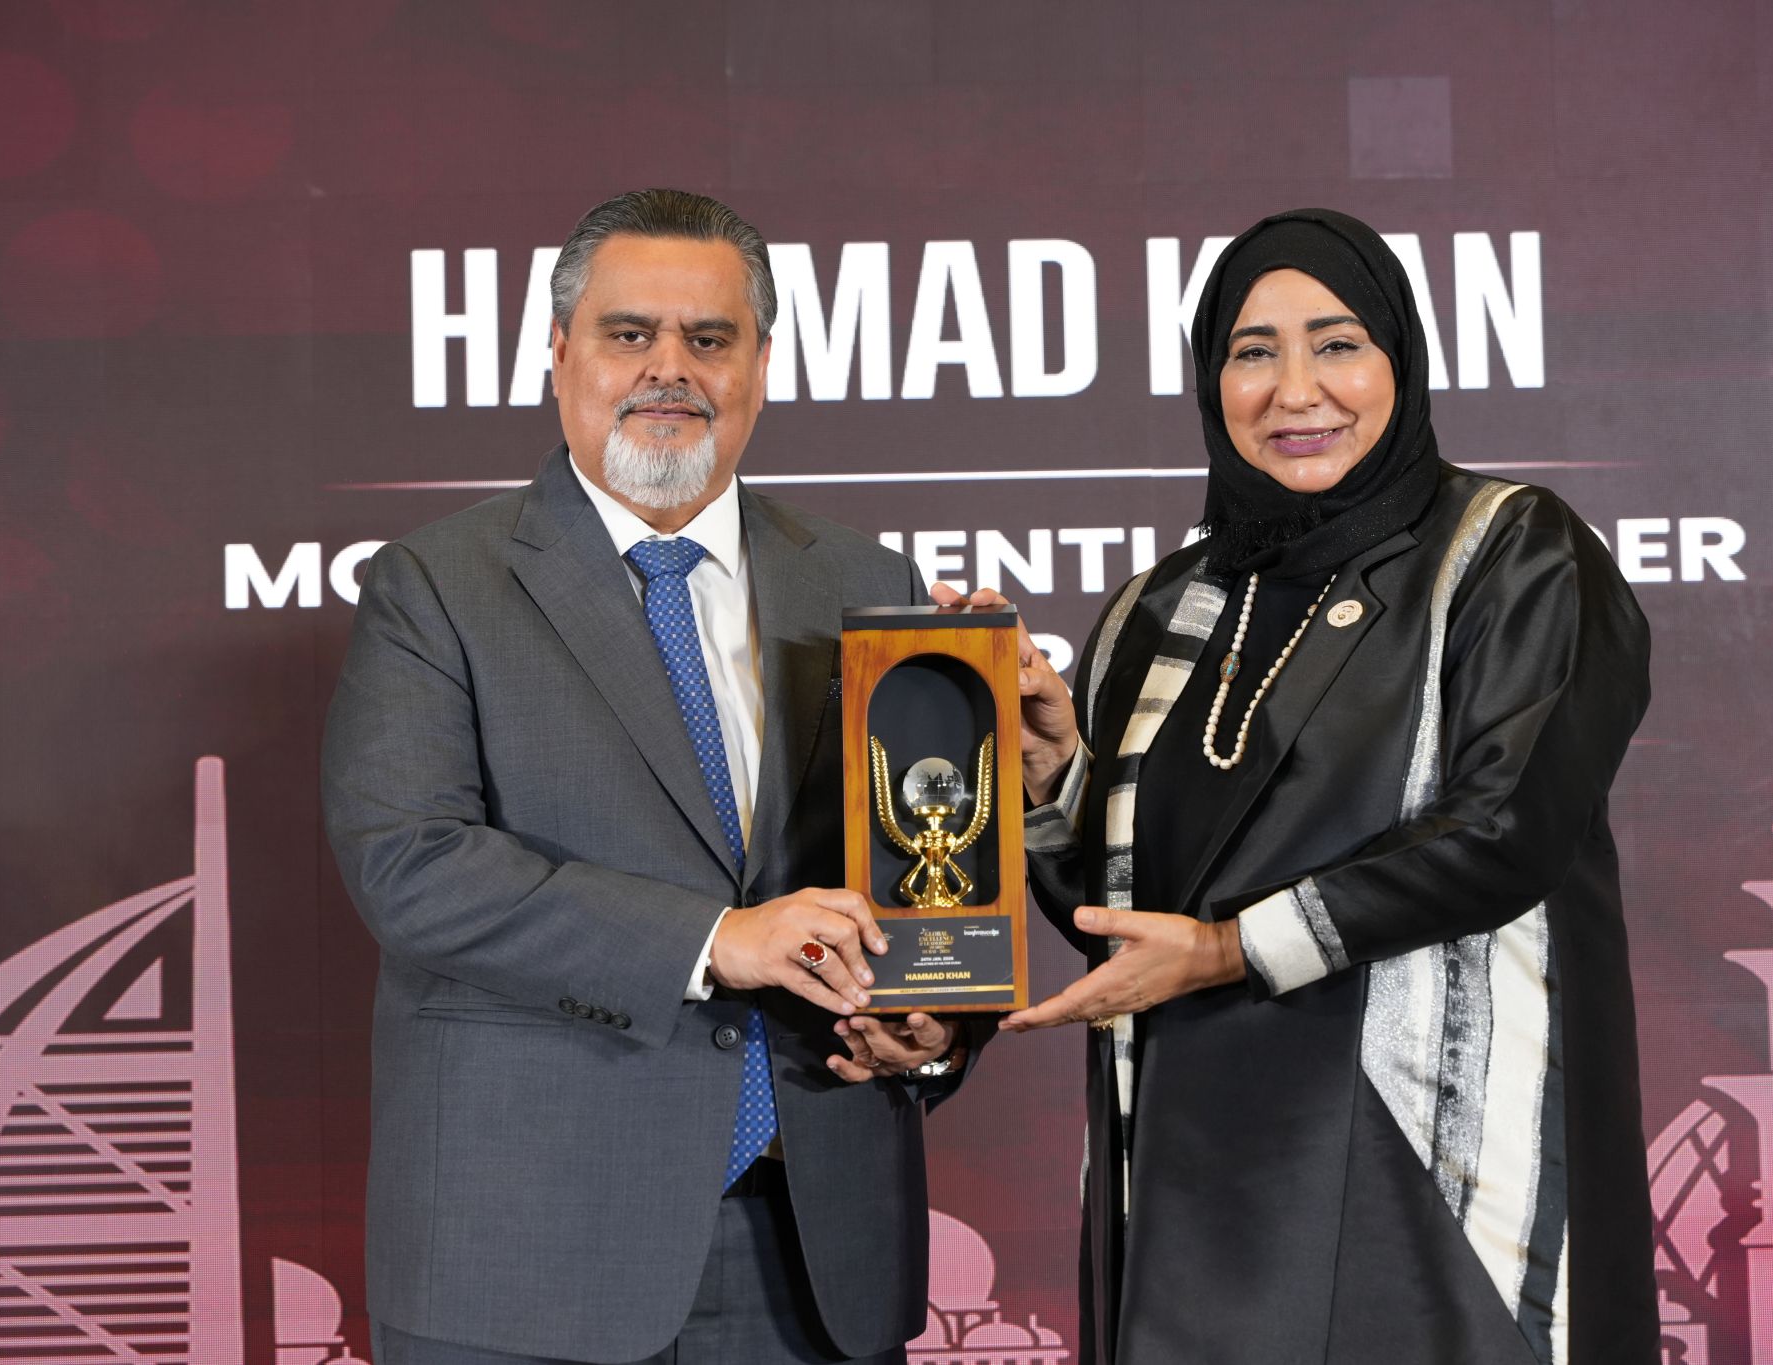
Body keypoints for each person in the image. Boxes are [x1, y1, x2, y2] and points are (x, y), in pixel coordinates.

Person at [322, 188, 973, 1365]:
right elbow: (413, 867)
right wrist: (718, 941)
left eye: (709, 338)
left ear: (760, 366)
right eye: (629, 334)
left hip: (812, 1254)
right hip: (528, 1262)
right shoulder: (435, 585)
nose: (668, 368)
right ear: (559, 353)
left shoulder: (867, 584)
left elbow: (922, 877)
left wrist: (931, 1026)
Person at [1000, 209, 1659, 1363]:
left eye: (1337, 343)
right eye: (1251, 352)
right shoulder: (1156, 611)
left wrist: (1226, 951)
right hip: (1192, 1185)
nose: (1293, 391)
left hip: (1431, 1182)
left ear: (1398, 359)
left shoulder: (1508, 552)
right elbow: (1122, 917)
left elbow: (1502, 831)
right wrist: (1053, 781)